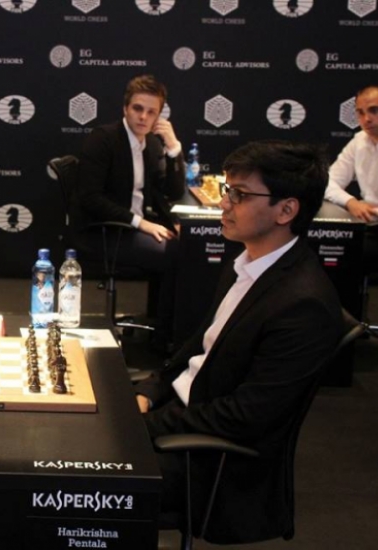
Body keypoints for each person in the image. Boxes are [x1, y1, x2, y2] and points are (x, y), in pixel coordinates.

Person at [135, 141, 343, 544]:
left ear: (286, 210)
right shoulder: (248, 263)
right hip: (179, 414)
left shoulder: (304, 305)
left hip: (206, 460)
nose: (223, 204)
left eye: (240, 195)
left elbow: (245, 417)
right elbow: (199, 348)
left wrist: (145, 425)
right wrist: (151, 388)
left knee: (66, 471)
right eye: (227, 190)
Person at [74, 74, 185, 345]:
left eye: (151, 112)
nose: (143, 117)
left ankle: (161, 324)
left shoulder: (152, 143)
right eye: (137, 108)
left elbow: (171, 192)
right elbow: (90, 198)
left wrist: (174, 148)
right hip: (103, 232)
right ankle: (165, 339)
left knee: (182, 246)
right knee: (175, 254)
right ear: (125, 108)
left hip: (130, 228)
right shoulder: (103, 139)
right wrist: (140, 222)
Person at [323, 84, 378, 271]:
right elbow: (328, 182)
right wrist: (351, 202)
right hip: (369, 225)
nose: (366, 119)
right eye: (360, 113)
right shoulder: (359, 140)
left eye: (374, 110)